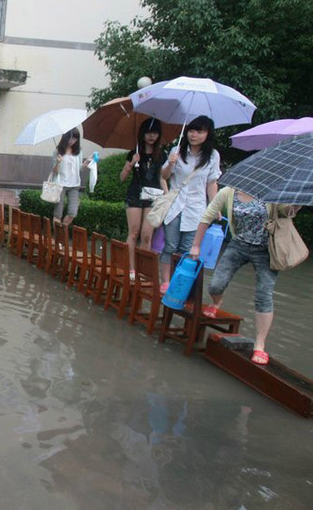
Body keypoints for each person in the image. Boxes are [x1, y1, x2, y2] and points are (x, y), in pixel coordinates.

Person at [189, 187, 298, 365]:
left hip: (265, 250)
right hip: (238, 245)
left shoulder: (273, 192)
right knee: (215, 285)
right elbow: (206, 217)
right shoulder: (228, 192)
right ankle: (217, 302)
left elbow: (286, 212)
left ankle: (260, 345)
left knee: (264, 295)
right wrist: (196, 245)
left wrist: (296, 204)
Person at [158, 115, 221, 291]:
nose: (194, 135)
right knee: (170, 246)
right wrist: (170, 164)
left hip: (196, 208)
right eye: (191, 131)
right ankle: (165, 281)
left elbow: (211, 183)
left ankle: (180, 282)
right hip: (174, 205)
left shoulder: (213, 156)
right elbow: (164, 176)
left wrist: (215, 207)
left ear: (208, 134)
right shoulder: (177, 150)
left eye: (199, 131)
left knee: (188, 248)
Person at [120, 117, 167, 279]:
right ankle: (131, 268)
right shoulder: (134, 153)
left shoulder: (161, 155)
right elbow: (122, 177)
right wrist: (131, 163)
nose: (151, 136)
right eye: (148, 133)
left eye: (155, 133)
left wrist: (168, 198)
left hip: (154, 197)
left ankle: (142, 269)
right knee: (133, 232)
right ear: (142, 134)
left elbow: (162, 178)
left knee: (147, 235)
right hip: (135, 195)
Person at [51, 128, 90, 226]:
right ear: (66, 137)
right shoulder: (57, 151)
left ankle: (61, 231)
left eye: (75, 138)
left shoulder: (79, 151)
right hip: (60, 185)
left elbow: (78, 168)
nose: (72, 141)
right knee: (58, 213)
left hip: (74, 185)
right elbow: (55, 171)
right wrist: (58, 162)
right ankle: (58, 235)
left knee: (73, 212)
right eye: (71, 138)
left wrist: (84, 165)